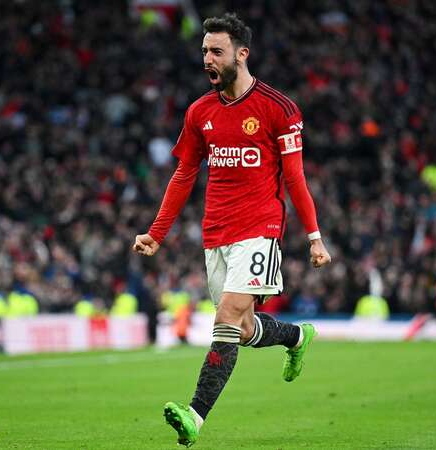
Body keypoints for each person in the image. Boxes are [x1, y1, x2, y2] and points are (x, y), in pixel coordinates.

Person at [132, 13, 331, 447]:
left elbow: (295, 178)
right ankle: (297, 336)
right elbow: (184, 174)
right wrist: (157, 232)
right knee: (240, 330)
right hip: (215, 235)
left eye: (216, 51)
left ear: (241, 54)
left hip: (261, 229)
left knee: (224, 319)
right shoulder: (199, 112)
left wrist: (314, 237)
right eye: (204, 50)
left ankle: (194, 416)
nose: (207, 58)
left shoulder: (279, 109)